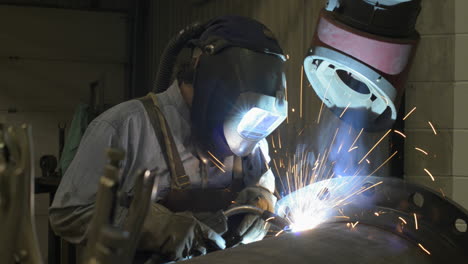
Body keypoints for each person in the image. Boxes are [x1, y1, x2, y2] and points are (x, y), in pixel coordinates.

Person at [49, 15, 288, 262]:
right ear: (206, 74)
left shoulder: (252, 134)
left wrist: (261, 202)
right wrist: (153, 225)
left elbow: (264, 185)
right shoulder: (125, 126)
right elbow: (68, 214)